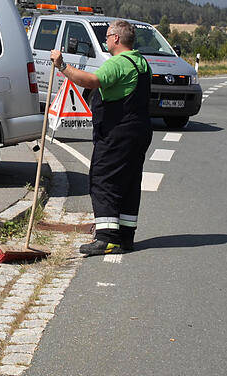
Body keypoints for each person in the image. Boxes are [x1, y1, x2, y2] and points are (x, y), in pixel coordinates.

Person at [50, 19, 151, 255]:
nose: (106, 40)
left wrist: (63, 65)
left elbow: (92, 81)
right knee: (128, 183)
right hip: (139, 131)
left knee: (103, 179)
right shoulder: (141, 62)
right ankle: (125, 237)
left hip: (118, 132)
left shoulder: (118, 63)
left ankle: (105, 238)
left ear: (116, 38)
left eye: (107, 36)